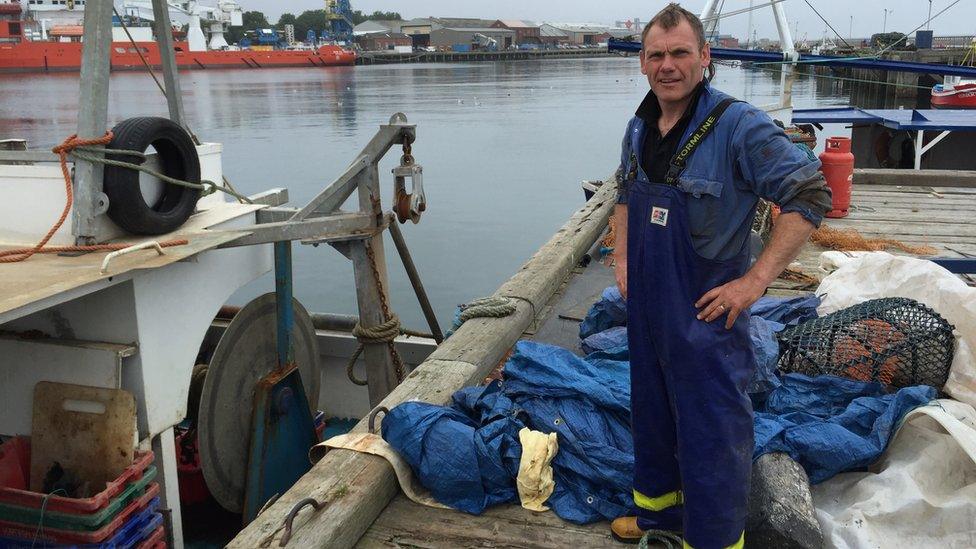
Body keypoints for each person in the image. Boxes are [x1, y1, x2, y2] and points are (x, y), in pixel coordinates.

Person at [610, 4, 831, 548]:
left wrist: (754, 283)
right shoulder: (640, 126)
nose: (668, 65)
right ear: (642, 62)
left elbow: (809, 195)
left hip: (707, 311)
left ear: (705, 57)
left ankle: (713, 539)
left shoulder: (738, 126)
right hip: (648, 310)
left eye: (681, 52)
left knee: (712, 430)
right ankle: (659, 516)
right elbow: (621, 194)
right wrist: (621, 260)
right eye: (657, 54)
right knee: (653, 412)